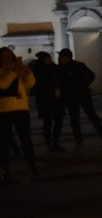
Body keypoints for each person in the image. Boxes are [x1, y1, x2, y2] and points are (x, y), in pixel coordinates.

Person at [54, 48, 102, 148]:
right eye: (60, 57)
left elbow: (91, 75)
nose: (60, 58)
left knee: (91, 115)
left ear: (68, 57)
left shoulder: (78, 65)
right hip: (69, 97)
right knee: (74, 119)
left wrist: (83, 84)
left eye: (62, 56)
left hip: (82, 94)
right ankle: (78, 139)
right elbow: (57, 82)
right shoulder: (59, 68)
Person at [1, 47, 39, 183]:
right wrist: (14, 71)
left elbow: (30, 84)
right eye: (4, 57)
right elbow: (3, 84)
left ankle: (32, 165)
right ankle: (5, 169)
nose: (8, 59)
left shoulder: (16, 70)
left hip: (21, 108)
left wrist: (27, 72)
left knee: (26, 140)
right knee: (3, 142)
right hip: (3, 110)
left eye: (10, 56)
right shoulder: (4, 71)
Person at [29, 51, 62, 151]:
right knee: (48, 122)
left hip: (55, 99)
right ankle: (50, 143)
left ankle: (55, 142)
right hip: (45, 100)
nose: (50, 60)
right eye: (47, 59)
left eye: (50, 58)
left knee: (57, 121)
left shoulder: (53, 67)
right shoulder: (38, 69)